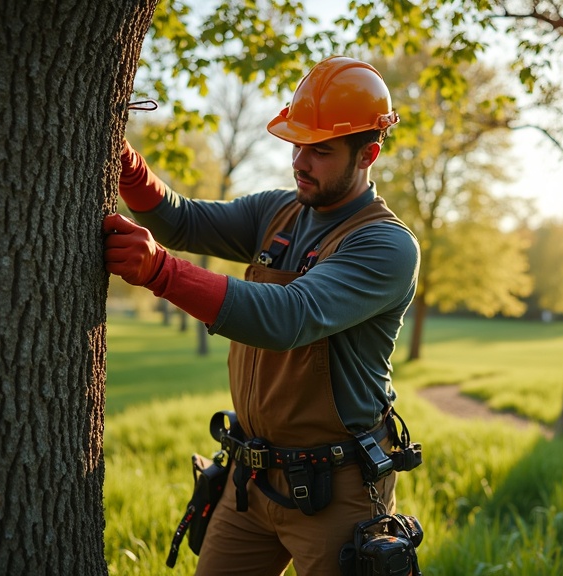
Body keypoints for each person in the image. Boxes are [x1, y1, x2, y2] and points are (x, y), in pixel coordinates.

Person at [103, 56, 421, 575]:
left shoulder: (385, 245)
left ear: (369, 153)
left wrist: (161, 272)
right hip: (250, 481)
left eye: (320, 150)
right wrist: (128, 166)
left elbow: (288, 318)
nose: (300, 161)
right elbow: (180, 222)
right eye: (296, 144)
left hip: (339, 490)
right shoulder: (278, 211)